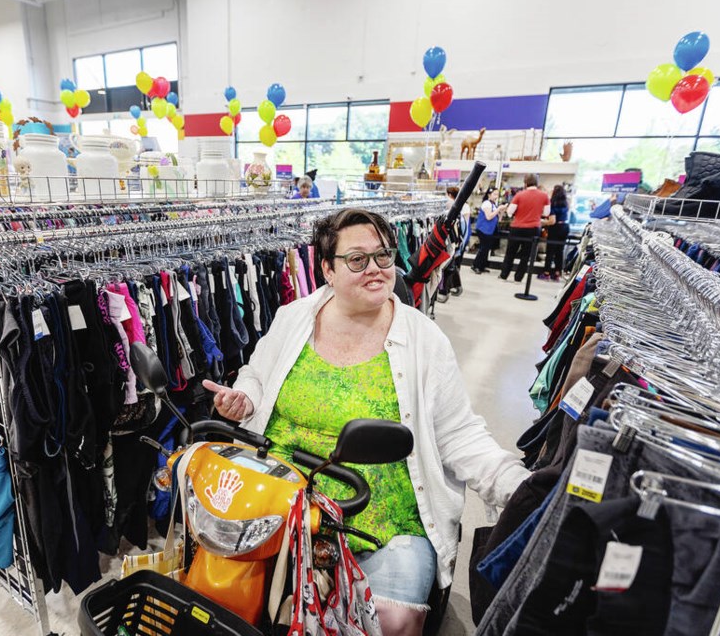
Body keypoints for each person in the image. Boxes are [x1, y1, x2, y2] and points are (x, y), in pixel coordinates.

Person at [200, 208, 529, 634]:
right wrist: (244, 401)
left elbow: (460, 433)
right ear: (327, 270)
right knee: (222, 598)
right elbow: (258, 376)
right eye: (357, 260)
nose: (374, 269)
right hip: (281, 495)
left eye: (383, 256)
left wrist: (521, 488)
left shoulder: (423, 340)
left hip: (380, 510)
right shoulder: (294, 317)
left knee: (390, 622)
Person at [498, 173, 550, 283]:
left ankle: (504, 275)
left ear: (525, 183)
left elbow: (510, 212)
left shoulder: (519, 195)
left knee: (510, 253)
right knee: (526, 256)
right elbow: (546, 213)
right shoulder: (544, 196)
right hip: (534, 228)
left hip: (517, 227)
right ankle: (518, 278)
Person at [538, 184, 570, 281]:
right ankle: (557, 274)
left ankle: (546, 273)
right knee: (559, 252)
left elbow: (552, 221)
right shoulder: (566, 204)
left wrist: (543, 222)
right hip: (565, 227)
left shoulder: (553, 204)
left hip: (555, 228)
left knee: (550, 251)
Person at [472, 186, 506, 274]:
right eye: (494, 194)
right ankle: (476, 266)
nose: (496, 196)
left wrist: (502, 211)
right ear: (489, 195)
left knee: (486, 249)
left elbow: (499, 219)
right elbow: (488, 216)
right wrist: (498, 209)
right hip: (483, 229)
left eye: (497, 194)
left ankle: (481, 266)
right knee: (483, 248)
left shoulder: (494, 204)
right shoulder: (486, 203)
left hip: (489, 230)